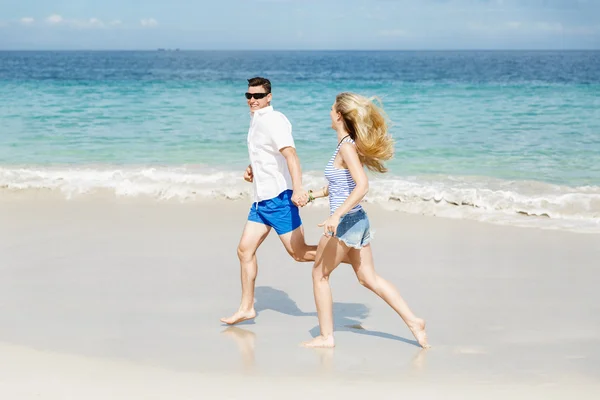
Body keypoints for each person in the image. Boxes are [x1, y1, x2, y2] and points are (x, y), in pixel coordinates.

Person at [301, 92, 430, 349]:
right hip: (357, 220)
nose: (328, 112)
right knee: (368, 278)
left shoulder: (347, 147)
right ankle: (414, 321)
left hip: (345, 222)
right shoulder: (345, 145)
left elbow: (362, 186)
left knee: (319, 274)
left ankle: (326, 337)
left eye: (331, 108)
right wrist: (314, 194)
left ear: (339, 115)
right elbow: (341, 185)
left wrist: (336, 215)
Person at [221, 77, 316, 325]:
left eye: (258, 96)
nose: (253, 100)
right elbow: (268, 154)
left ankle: (346, 254)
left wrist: (298, 190)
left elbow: (291, 155)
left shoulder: (273, 121)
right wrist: (253, 167)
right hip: (261, 202)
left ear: (269, 97)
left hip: (279, 199)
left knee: (300, 253)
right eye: (249, 96)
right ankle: (247, 307)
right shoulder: (257, 121)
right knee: (244, 250)